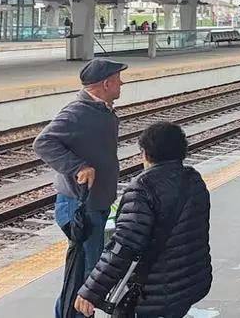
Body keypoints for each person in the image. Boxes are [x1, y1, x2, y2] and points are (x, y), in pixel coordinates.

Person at [73, 122, 211, 318]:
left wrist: (91, 290)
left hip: (157, 290)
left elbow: (124, 246)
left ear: (146, 154)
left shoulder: (143, 188)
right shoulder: (193, 180)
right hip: (191, 279)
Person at [34, 58, 125, 318]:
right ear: (106, 84)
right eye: (119, 80)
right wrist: (78, 167)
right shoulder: (77, 112)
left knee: (87, 271)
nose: (122, 84)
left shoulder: (102, 110)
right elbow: (43, 142)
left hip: (94, 203)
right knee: (84, 275)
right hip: (79, 205)